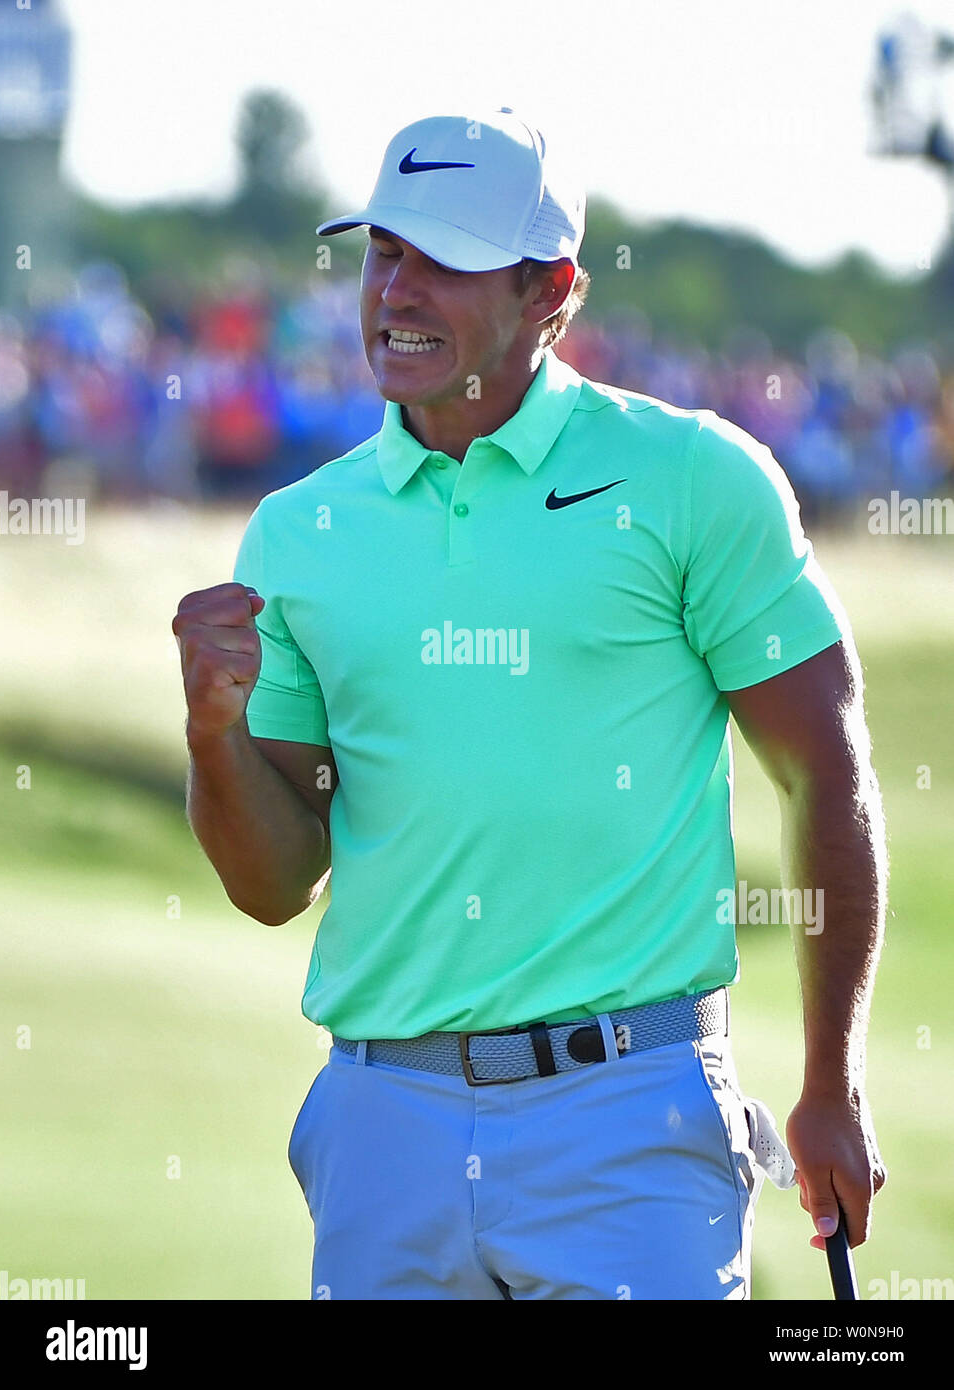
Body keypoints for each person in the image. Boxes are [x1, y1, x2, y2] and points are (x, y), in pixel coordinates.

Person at [172, 108, 887, 1300]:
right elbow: (273, 880)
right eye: (382, 251)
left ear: (549, 291)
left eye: (440, 261)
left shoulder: (691, 479)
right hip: (382, 1124)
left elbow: (826, 769)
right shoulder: (299, 530)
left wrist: (832, 1080)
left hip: (628, 1120)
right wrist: (212, 733)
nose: (395, 289)